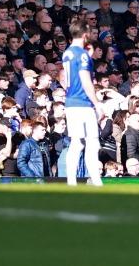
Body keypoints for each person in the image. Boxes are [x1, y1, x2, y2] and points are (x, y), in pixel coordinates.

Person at [60, 18, 104, 187]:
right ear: (85, 34)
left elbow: (65, 78)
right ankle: (97, 181)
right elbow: (86, 81)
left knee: (76, 142)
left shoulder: (68, 53)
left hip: (71, 102)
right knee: (92, 141)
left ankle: (71, 182)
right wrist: (97, 103)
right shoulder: (82, 55)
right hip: (83, 103)